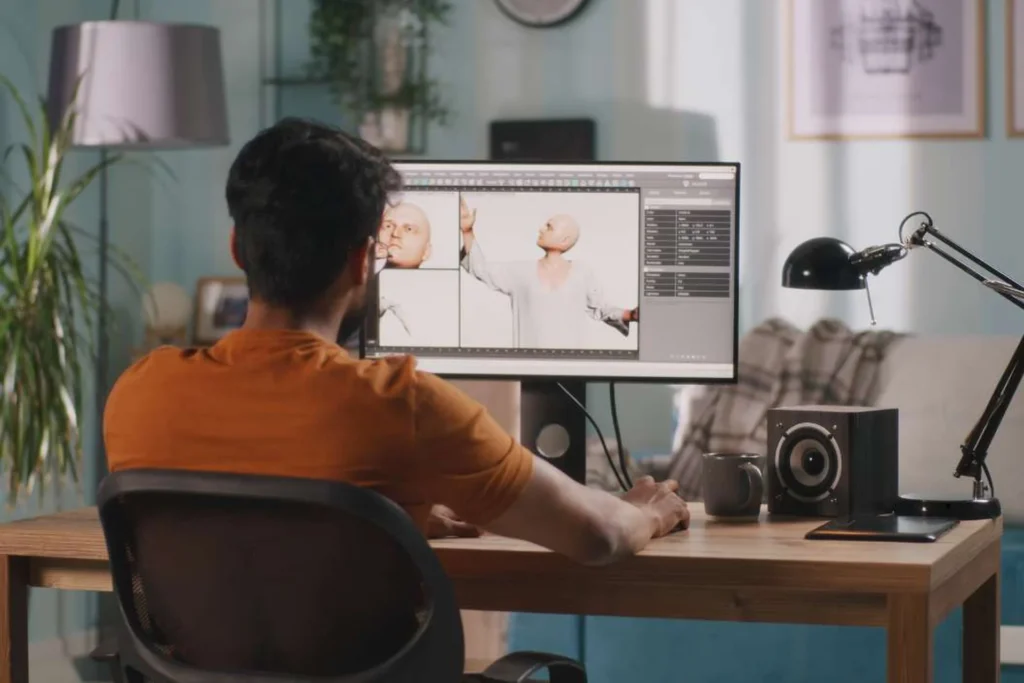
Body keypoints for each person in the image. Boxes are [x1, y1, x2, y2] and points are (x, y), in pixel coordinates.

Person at [103, 117, 688, 566]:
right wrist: (648, 512)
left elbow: (238, 530)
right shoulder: (403, 404)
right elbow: (598, 535)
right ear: (363, 260)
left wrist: (382, 517)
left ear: (237, 249)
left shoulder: (139, 393)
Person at [459, 197, 639, 349]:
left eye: (549, 227)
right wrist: (467, 231)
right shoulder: (521, 272)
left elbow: (599, 308)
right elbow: (480, 268)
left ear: (564, 240)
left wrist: (630, 315)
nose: (541, 229)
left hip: (570, 369)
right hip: (529, 369)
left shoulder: (581, 272)